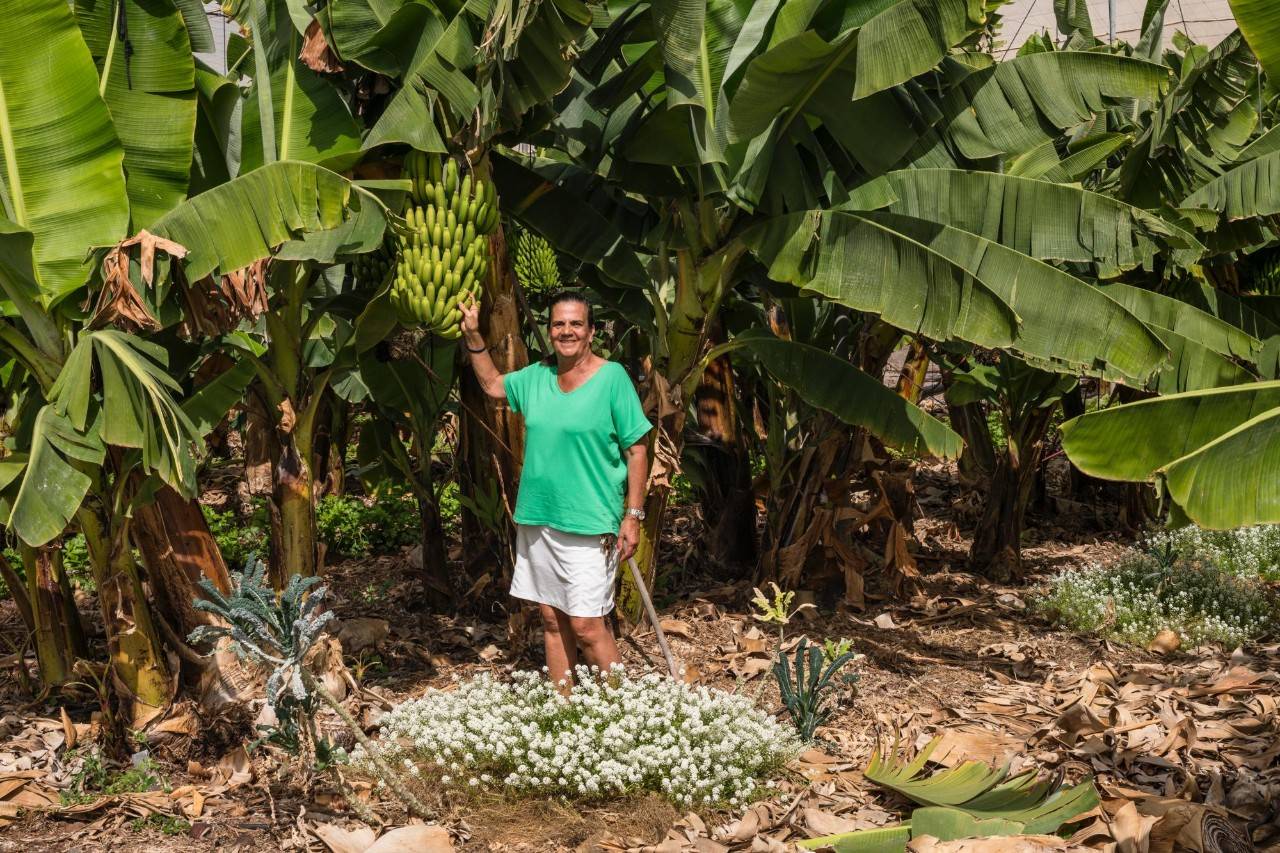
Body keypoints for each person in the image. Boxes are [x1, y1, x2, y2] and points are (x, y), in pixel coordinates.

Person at [459, 291, 651, 683]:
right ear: (549, 332)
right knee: (550, 617)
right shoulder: (537, 377)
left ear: (591, 331)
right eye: (558, 324)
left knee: (586, 624)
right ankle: (563, 710)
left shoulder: (612, 378)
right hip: (540, 517)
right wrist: (474, 336)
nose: (567, 331)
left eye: (576, 323)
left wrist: (632, 516)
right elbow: (493, 385)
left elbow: (638, 450)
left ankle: (624, 711)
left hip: (591, 522)